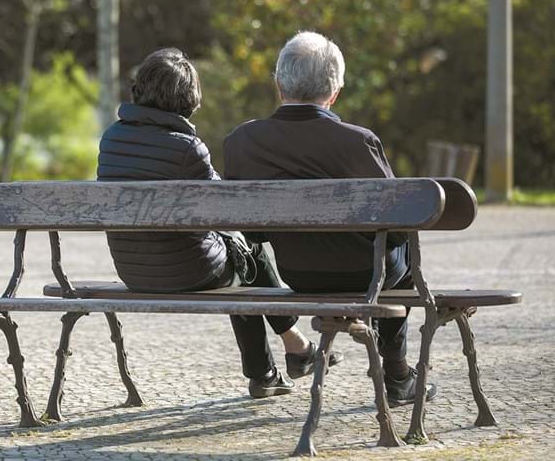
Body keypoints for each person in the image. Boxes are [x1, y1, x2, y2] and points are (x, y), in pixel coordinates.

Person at [98, 47, 342, 398]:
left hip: (133, 269)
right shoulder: (187, 149)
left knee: (237, 256)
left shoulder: (110, 139)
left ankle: (277, 364)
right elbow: (229, 210)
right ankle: (288, 352)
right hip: (185, 271)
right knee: (246, 253)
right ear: (188, 98)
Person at [223, 31, 437, 406]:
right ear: (335, 91)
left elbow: (253, 232)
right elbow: (400, 230)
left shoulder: (242, 142)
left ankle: (394, 370)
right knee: (398, 257)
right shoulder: (359, 142)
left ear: (278, 85)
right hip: (368, 278)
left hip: (299, 273)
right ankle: (398, 373)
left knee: (390, 256)